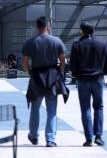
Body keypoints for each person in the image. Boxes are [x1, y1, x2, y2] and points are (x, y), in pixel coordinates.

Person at [22, 16, 68, 147]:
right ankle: (50, 139)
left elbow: (24, 62)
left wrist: (30, 72)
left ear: (37, 27)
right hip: (52, 77)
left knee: (35, 108)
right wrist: (59, 70)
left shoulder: (30, 42)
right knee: (52, 110)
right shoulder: (56, 41)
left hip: (36, 76)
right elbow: (63, 59)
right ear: (48, 26)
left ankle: (33, 135)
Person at [70, 22, 107, 147]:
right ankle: (98, 136)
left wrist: (77, 76)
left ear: (82, 31)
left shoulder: (77, 45)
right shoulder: (102, 44)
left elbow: (73, 65)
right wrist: (102, 73)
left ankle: (88, 139)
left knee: (85, 109)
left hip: (83, 80)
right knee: (99, 107)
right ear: (93, 31)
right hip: (98, 79)